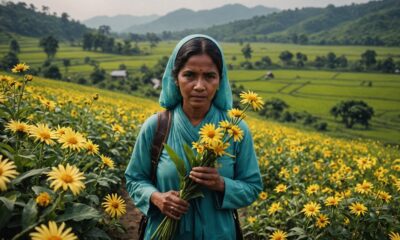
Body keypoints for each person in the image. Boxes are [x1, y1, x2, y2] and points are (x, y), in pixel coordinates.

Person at [125, 34, 263, 240]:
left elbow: (252, 187)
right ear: (175, 78)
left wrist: (222, 184)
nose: (199, 85)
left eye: (209, 76)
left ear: (220, 80)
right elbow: (135, 179)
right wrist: (156, 198)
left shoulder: (234, 130)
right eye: (189, 75)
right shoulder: (156, 126)